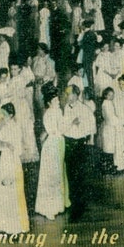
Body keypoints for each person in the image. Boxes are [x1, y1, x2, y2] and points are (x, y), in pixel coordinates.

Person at [0, 103, 30, 234]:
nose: (2, 116)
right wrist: (2, 143)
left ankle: (15, 226)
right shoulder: (3, 127)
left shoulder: (15, 128)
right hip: (4, 160)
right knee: (4, 190)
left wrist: (4, 144)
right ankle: (4, 224)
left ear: (11, 115)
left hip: (12, 161)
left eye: (4, 114)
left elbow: (16, 148)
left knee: (12, 190)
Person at [34, 84, 70, 220]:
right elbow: (54, 130)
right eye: (54, 100)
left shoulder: (58, 112)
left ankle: (58, 205)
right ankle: (48, 208)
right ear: (49, 102)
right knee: (51, 175)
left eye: (57, 100)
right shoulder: (49, 113)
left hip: (58, 142)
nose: (57, 102)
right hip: (52, 145)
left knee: (59, 173)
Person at [62, 85, 95, 222]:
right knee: (70, 173)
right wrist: (71, 123)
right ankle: (73, 202)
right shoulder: (65, 108)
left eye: (71, 94)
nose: (68, 97)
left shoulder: (83, 109)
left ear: (76, 95)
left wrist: (82, 129)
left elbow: (91, 125)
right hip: (69, 142)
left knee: (79, 175)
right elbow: (63, 126)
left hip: (79, 144)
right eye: (67, 94)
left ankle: (79, 205)